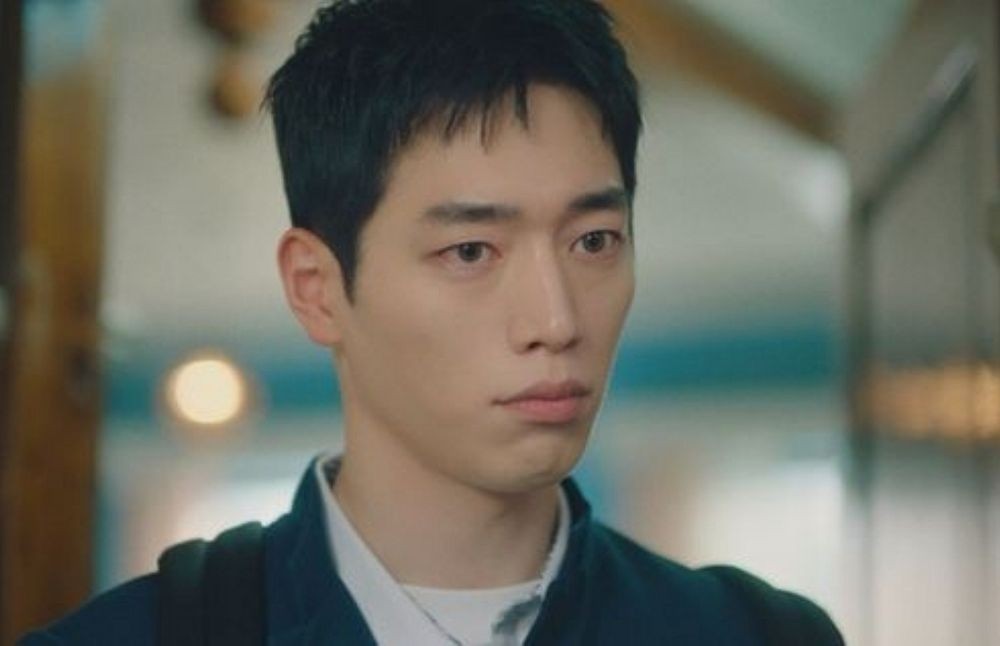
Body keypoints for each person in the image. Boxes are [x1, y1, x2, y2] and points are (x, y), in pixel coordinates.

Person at [21, 0, 843, 644]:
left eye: (594, 241)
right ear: (317, 288)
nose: (555, 320)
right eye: (470, 251)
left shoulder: (758, 635)